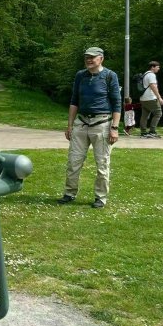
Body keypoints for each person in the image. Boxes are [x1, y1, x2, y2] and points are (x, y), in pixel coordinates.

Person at [57, 47, 121, 209]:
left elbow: (117, 103)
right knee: (74, 161)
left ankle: (101, 197)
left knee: (102, 164)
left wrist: (114, 127)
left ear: (101, 59)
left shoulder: (110, 76)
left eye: (92, 57)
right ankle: (69, 193)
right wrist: (70, 125)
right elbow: (74, 101)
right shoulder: (80, 75)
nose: (89, 60)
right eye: (87, 57)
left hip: (102, 124)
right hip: (81, 123)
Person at [139, 61, 163, 138]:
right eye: (157, 67)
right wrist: (159, 97)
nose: (158, 68)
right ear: (152, 67)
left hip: (143, 98)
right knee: (158, 113)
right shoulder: (151, 75)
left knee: (144, 116)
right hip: (150, 98)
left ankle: (143, 132)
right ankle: (152, 132)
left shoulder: (145, 74)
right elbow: (153, 86)